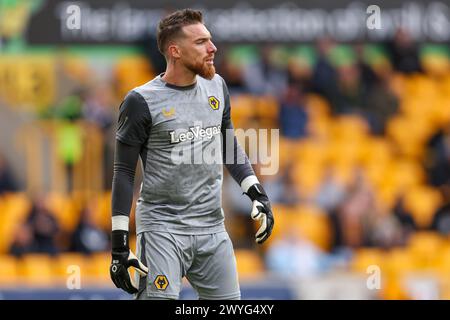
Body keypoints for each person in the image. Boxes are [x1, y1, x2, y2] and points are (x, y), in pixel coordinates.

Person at [109, 9, 274, 300]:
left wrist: (256, 192)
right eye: (201, 42)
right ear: (175, 51)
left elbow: (227, 143)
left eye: (210, 40)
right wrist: (120, 246)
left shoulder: (217, 86)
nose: (213, 48)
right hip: (163, 229)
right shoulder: (140, 101)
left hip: (212, 227)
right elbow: (123, 172)